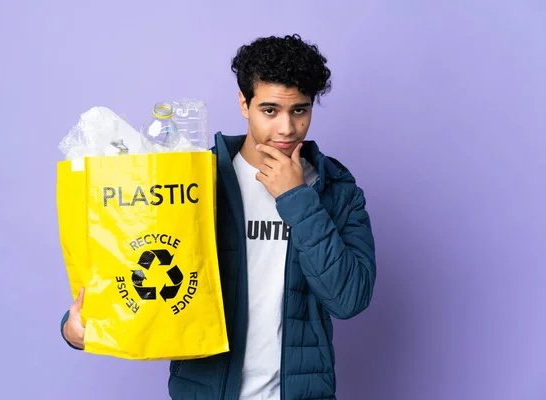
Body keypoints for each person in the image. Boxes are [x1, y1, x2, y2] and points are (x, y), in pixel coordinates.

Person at [61, 33, 376, 400]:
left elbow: (349, 300)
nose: (287, 128)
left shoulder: (337, 190)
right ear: (244, 103)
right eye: (270, 110)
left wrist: (297, 198)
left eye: (300, 110)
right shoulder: (194, 183)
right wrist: (74, 329)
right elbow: (132, 264)